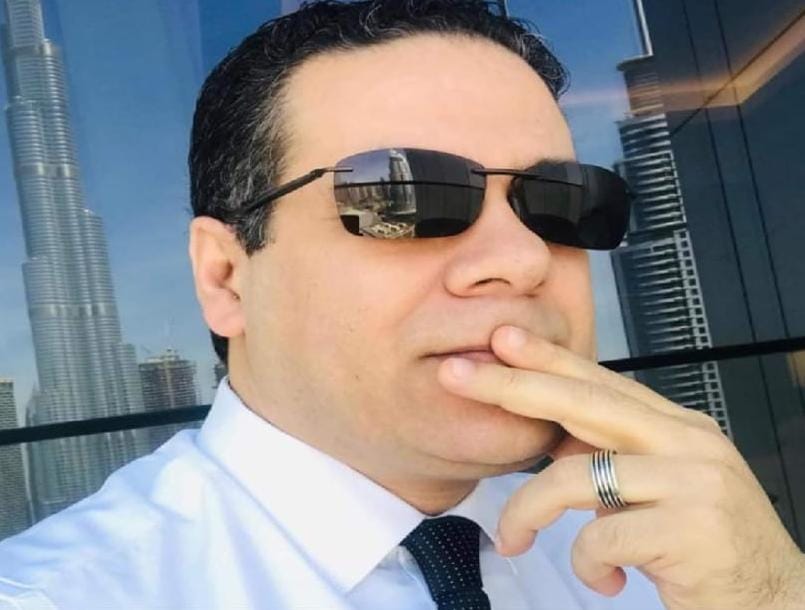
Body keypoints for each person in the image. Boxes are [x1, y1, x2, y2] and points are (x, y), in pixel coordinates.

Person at [1, 1, 804, 608]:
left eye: (561, 203)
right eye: (404, 197)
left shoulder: (668, 562)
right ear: (225, 277)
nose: (523, 259)